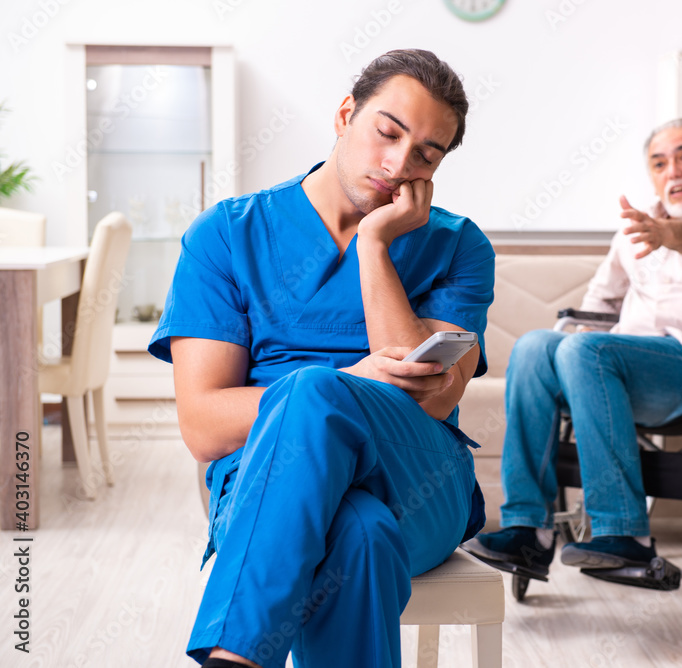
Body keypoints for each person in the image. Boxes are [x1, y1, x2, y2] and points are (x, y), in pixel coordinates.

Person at [148, 50, 494, 668]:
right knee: (359, 533)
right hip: (268, 480)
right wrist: (346, 381)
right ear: (345, 114)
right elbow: (202, 428)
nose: (397, 164)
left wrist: (374, 245)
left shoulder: (458, 245)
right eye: (387, 132)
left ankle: (233, 657)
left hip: (416, 478)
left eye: (426, 154)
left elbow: (432, 398)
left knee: (313, 389)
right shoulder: (227, 234)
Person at [464, 118, 682, 576]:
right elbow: (599, 301)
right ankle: (529, 530)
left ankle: (625, 532)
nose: (673, 172)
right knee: (534, 347)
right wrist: (570, 362)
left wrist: (666, 234)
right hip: (619, 369)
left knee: (585, 352)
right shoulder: (636, 228)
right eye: (660, 163)